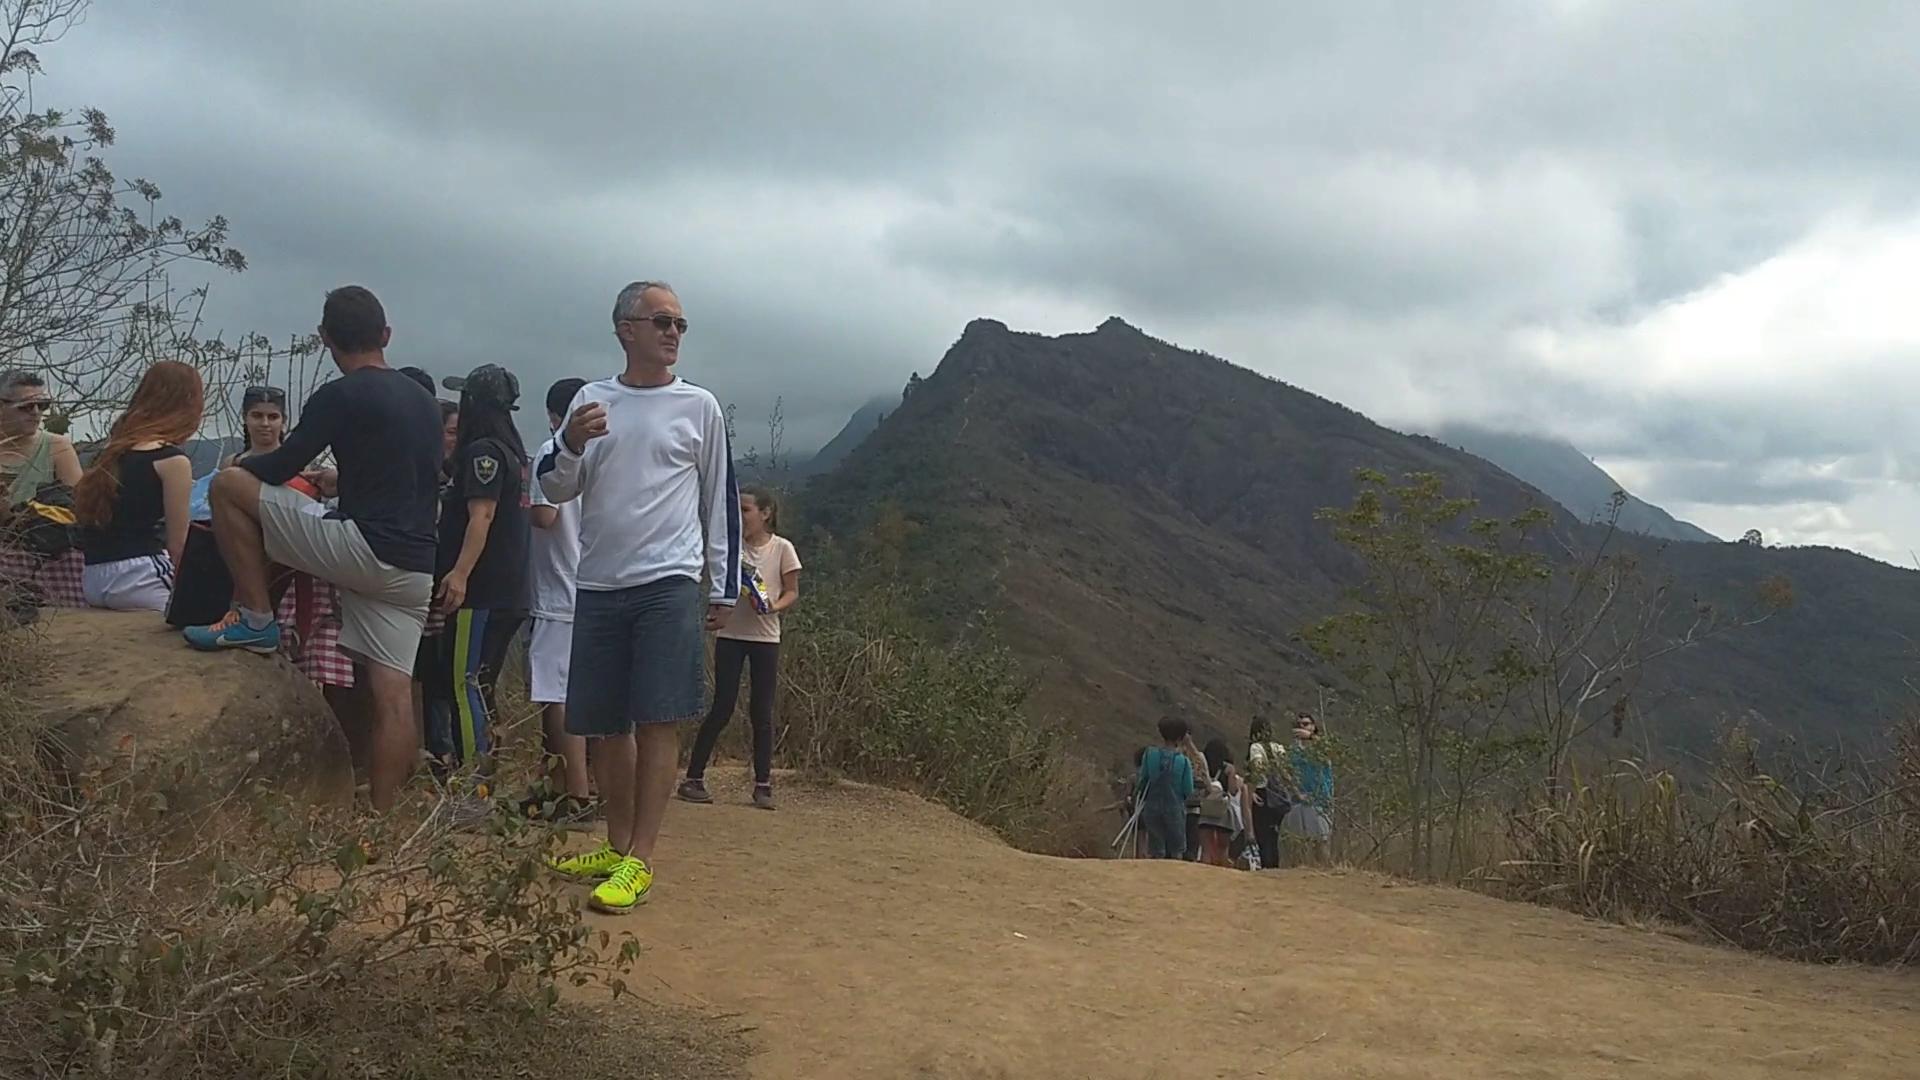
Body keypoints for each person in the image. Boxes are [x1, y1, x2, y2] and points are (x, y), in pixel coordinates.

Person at [183, 285, 442, 814]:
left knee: (228, 488)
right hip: (415, 565)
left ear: (325, 338)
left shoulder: (339, 395)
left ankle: (256, 617)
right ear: (386, 335)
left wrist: (241, 467)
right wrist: (338, 480)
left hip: (362, 547)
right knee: (393, 694)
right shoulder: (424, 402)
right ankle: (384, 823)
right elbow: (408, 480)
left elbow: (276, 468)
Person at [539, 279, 741, 915]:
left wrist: (723, 582)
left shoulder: (699, 407)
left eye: (680, 324)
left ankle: (641, 860)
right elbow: (554, 486)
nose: (673, 334)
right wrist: (571, 441)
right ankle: (618, 845)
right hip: (599, 581)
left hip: (668, 581)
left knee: (658, 716)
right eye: (662, 322)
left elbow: (720, 499)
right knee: (603, 723)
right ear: (626, 329)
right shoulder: (590, 403)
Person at [427, 363, 530, 787]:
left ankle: (475, 789)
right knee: (481, 687)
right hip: (508, 592)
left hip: (480, 594)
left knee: (464, 684)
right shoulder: (513, 454)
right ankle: (485, 780)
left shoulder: (483, 453)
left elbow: (481, 516)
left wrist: (459, 574)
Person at [679, 484, 802, 810]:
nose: (741, 516)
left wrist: (773, 607)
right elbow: (715, 584)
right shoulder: (730, 549)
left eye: (746, 510)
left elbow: (792, 591)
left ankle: (763, 785)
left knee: (761, 711)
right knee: (722, 707)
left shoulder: (782, 549)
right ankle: (693, 777)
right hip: (730, 636)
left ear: (766, 513)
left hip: (765, 637)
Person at [520, 376, 595, 827]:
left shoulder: (550, 454)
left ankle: (576, 795)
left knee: (556, 697)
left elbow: (546, 516)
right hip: (596, 588)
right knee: (592, 697)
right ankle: (574, 787)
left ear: (553, 416)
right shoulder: (609, 455)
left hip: (558, 591)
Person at [72, 361, 203, 611]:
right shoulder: (172, 460)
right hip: (140, 575)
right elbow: (179, 544)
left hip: (93, 578)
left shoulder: (111, 454)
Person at [0, 370, 83, 509]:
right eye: (27, 406)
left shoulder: (57, 447)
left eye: (43, 405)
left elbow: (80, 507)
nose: (36, 412)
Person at [1134, 717, 1196, 859]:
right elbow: (1188, 790)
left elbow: (1142, 780)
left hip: (1152, 807)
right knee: (1176, 848)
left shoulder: (1150, 755)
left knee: (1156, 849)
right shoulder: (1183, 761)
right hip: (1175, 808)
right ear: (1180, 737)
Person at [1285, 713, 1335, 866]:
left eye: (1306, 724)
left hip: (1320, 801)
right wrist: (1295, 791)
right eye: (1299, 724)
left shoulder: (1320, 747)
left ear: (1313, 727)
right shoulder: (1293, 751)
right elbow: (1287, 773)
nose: (1302, 727)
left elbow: (1326, 755)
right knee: (1298, 844)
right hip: (1299, 802)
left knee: (1321, 843)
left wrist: (1311, 737)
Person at [1244, 716, 1292, 871]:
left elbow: (1257, 767)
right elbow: (1286, 773)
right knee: (1274, 835)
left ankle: (1265, 867)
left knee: (1262, 835)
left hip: (1262, 792)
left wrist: (1250, 791)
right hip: (1277, 794)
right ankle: (1275, 867)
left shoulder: (1256, 748)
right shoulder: (1279, 748)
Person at [231, 386, 288, 465]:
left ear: (283, 420)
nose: (265, 423)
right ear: (245, 418)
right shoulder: (233, 463)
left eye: (273, 417)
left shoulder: (296, 464)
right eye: (257, 416)